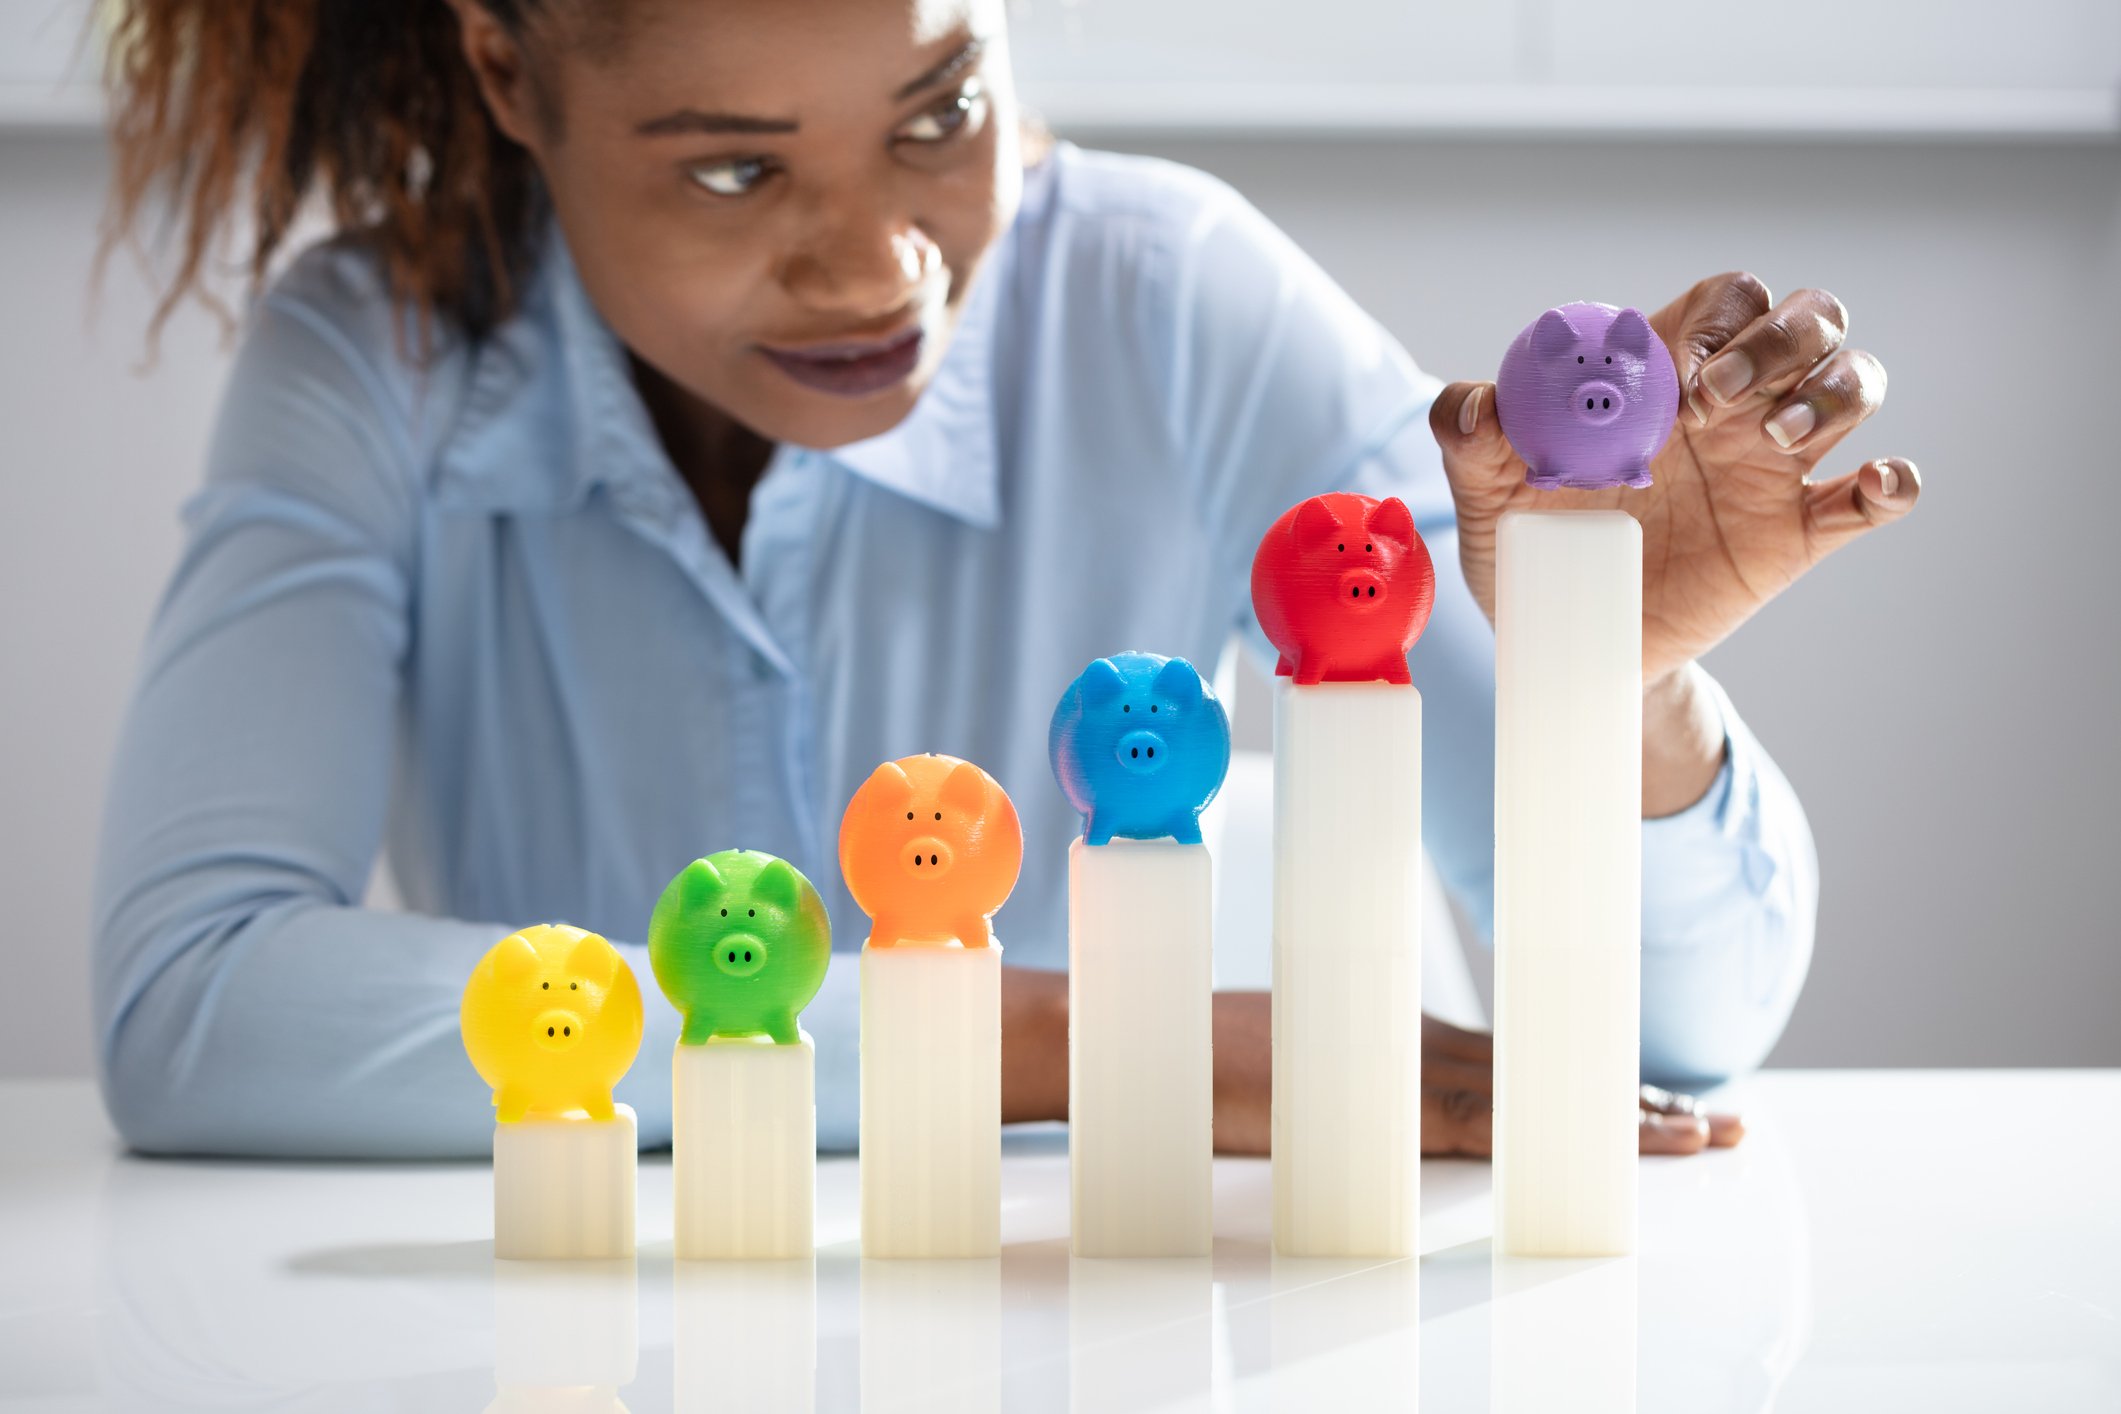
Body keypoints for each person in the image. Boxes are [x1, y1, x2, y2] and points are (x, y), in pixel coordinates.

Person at [90, 0, 1916, 1160]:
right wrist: (1129, 1043)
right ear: (506, 69)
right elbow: (197, 1005)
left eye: (938, 110)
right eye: (734, 168)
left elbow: (1676, 1047)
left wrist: (1617, 692)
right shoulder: (378, 356)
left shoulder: (1170, 298)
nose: (881, 267)